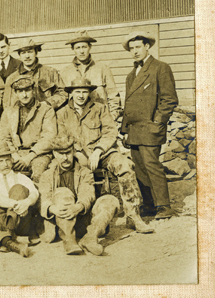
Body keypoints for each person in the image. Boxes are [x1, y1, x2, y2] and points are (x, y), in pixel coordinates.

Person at [57, 76, 153, 233]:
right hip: (77, 155)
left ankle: (133, 216)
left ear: (89, 93)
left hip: (102, 154)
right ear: (71, 93)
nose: (81, 95)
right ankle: (80, 217)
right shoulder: (62, 114)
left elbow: (110, 131)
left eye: (84, 92)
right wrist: (78, 153)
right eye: (77, 92)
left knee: (125, 165)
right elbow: (62, 137)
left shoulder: (100, 108)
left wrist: (98, 150)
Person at [121, 31, 179, 219]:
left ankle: (164, 206)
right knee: (140, 168)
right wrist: (124, 130)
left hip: (150, 128)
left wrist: (157, 123)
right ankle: (149, 204)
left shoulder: (160, 68)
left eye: (138, 47)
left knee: (152, 166)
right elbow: (128, 104)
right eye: (132, 48)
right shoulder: (132, 75)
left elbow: (169, 99)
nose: (135, 51)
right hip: (134, 130)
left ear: (147, 47)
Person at [37, 133, 121, 255]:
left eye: (68, 153)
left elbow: (87, 193)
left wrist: (79, 207)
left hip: (82, 220)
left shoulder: (85, 172)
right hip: (60, 221)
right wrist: (52, 208)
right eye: (61, 154)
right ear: (55, 154)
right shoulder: (47, 175)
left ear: (73, 152)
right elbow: (43, 197)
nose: (65, 158)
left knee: (110, 200)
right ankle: (69, 240)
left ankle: (90, 238)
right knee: (63, 192)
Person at [0, 77, 57, 182]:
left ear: (33, 91)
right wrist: (14, 154)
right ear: (15, 93)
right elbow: (4, 138)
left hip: (38, 154)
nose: (24, 95)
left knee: (39, 173)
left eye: (27, 90)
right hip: (15, 154)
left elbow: (49, 138)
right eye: (20, 91)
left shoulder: (46, 110)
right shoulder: (8, 112)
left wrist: (30, 156)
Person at [59, 30, 121, 117]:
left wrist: (112, 118)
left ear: (90, 47)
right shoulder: (64, 72)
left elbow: (113, 97)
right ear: (73, 49)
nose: (81, 51)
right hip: (75, 120)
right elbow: (62, 99)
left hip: (100, 118)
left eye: (84, 47)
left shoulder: (103, 69)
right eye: (78, 48)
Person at [4, 38, 67, 111]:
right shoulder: (12, 78)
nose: (27, 56)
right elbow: (7, 105)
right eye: (23, 53)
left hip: (46, 116)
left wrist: (48, 103)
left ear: (36, 53)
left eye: (30, 52)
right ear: (19, 55)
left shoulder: (50, 72)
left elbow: (63, 93)